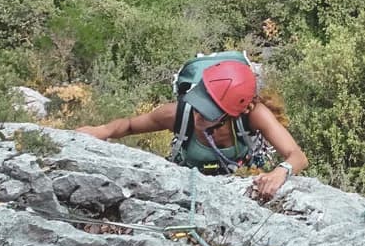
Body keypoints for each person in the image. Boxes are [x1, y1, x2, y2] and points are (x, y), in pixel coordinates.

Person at [78, 57, 307, 202]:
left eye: (208, 112)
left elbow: (297, 156)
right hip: (185, 189)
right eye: (198, 105)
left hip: (238, 183)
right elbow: (128, 125)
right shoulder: (178, 114)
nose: (198, 115)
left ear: (234, 112)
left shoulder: (253, 115)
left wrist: (280, 172)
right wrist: (101, 131)